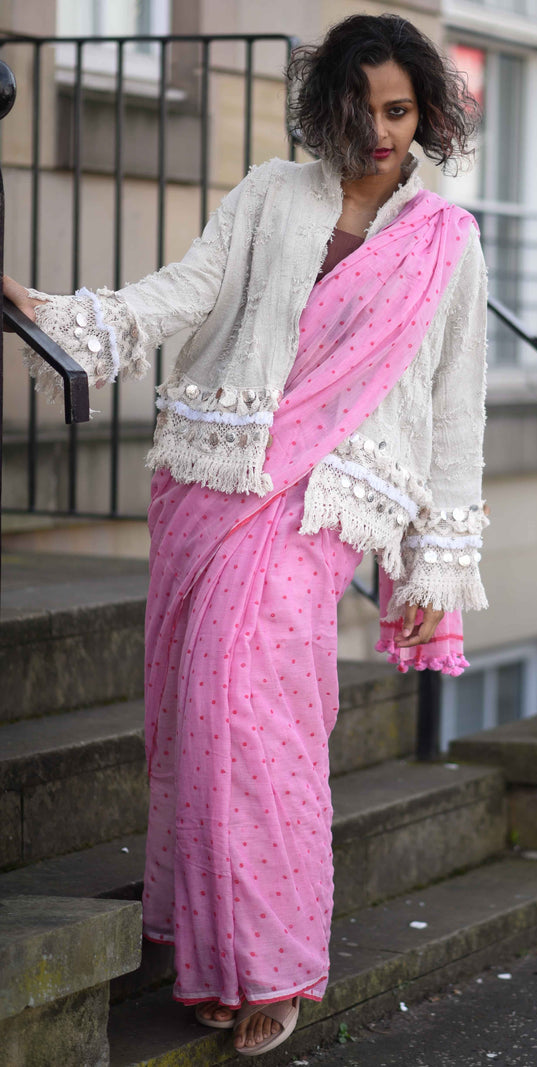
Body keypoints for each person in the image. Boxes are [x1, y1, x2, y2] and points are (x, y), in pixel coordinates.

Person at [3, 13, 488, 1057]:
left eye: (398, 111)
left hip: (321, 506)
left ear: (427, 113)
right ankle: (211, 951)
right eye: (359, 109)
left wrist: (435, 560)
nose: (377, 132)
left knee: (252, 715)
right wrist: (66, 315)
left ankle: (269, 959)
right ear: (326, 108)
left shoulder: (445, 241)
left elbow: (454, 406)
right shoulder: (270, 196)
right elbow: (189, 290)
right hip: (213, 479)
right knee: (195, 719)